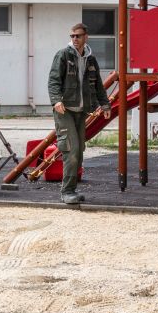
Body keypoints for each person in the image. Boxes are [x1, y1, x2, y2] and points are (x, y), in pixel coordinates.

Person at [47, 23, 110, 206]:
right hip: (64, 110)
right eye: (72, 36)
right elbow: (53, 80)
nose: (74, 39)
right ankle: (66, 191)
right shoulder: (63, 55)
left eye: (78, 36)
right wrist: (56, 100)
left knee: (79, 151)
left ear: (86, 37)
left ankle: (72, 189)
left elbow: (98, 85)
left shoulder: (90, 60)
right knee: (71, 150)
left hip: (81, 112)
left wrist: (105, 105)